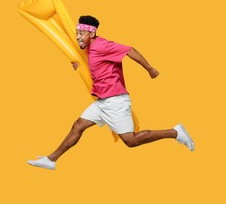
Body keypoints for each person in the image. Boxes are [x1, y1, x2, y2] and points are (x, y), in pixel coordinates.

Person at [28, 15, 194, 170]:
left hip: (115, 101)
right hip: (101, 102)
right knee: (78, 126)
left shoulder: (102, 45)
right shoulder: (89, 48)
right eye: (77, 33)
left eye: (81, 33)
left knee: (131, 140)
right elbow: (95, 65)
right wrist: (79, 67)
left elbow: (130, 50)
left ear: (91, 33)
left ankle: (175, 132)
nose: (78, 36)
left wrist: (150, 69)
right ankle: (51, 160)